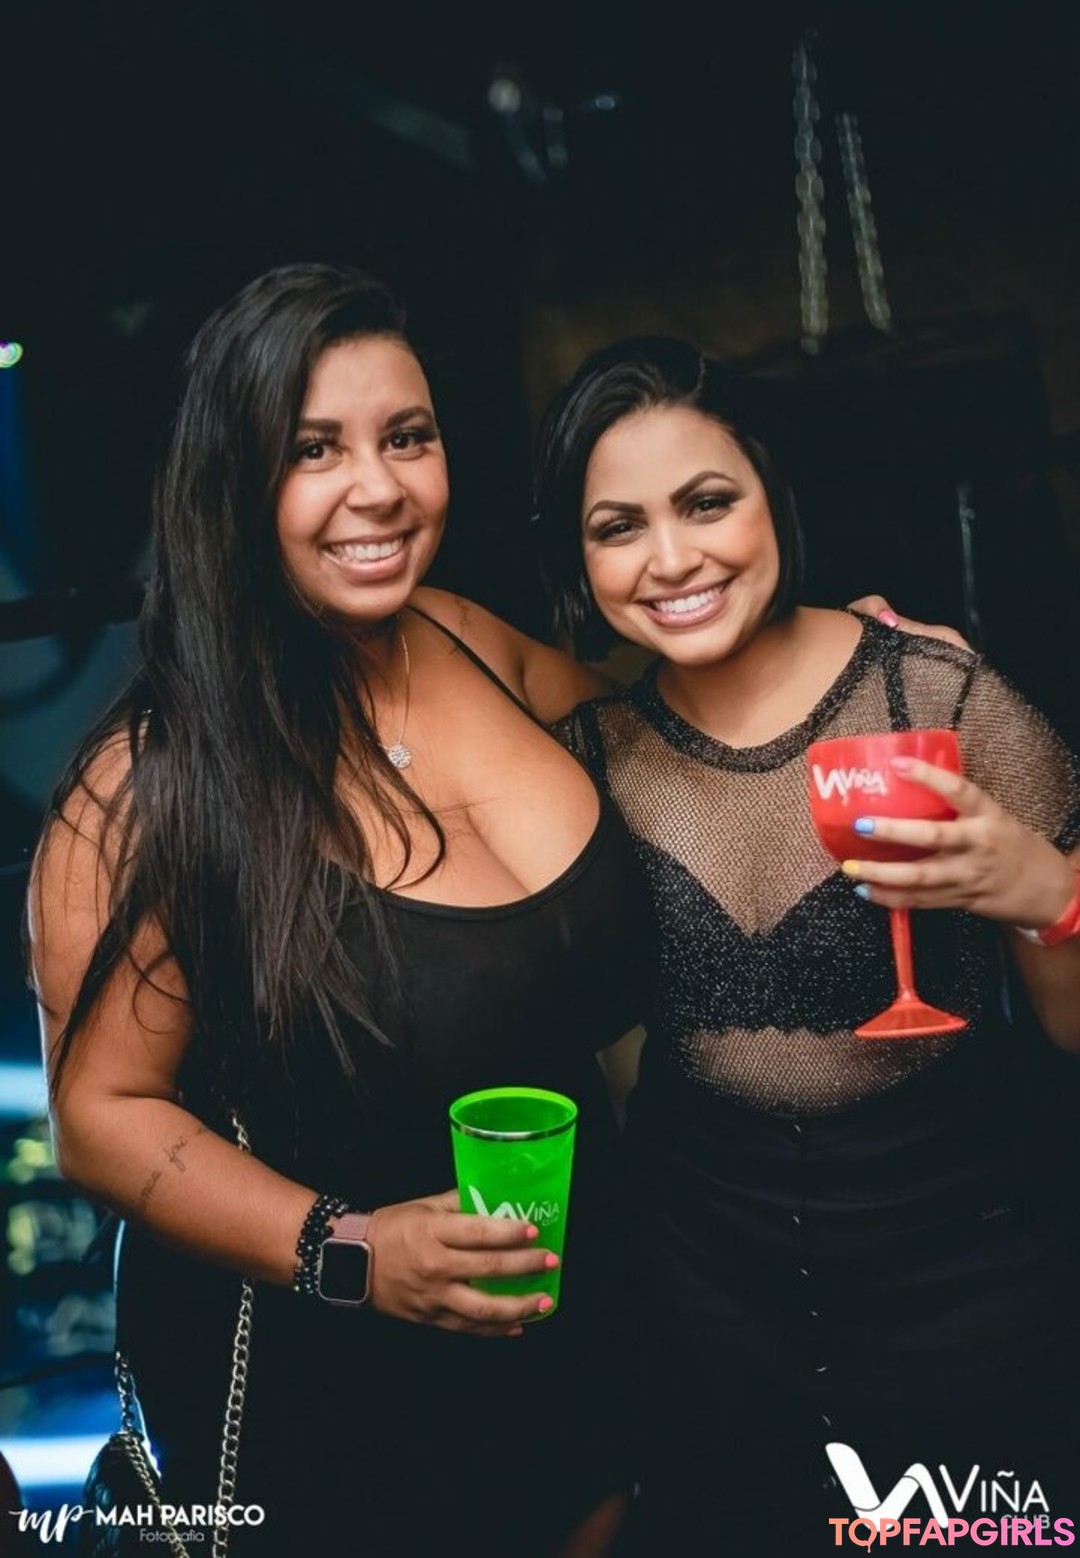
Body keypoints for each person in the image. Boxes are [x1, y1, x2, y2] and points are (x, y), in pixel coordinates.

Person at [27, 263, 654, 1557]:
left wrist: (824, 656)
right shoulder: (149, 783)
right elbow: (99, 1120)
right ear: (231, 482)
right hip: (330, 1421)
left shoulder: (468, 637)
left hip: (575, 1359)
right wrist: (351, 1248)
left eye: (407, 436)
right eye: (314, 449)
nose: (379, 487)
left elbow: (670, 730)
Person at [532, 337, 1080, 1554]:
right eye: (617, 527)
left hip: (962, 1279)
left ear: (772, 492)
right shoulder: (595, 756)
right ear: (578, 557)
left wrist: (1049, 891)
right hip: (704, 1296)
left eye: (706, 502)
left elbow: (1070, 1022)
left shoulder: (933, 693)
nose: (671, 559)